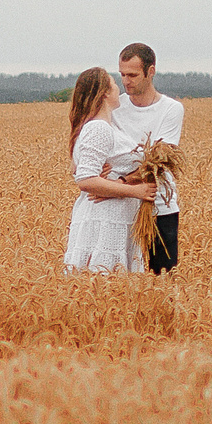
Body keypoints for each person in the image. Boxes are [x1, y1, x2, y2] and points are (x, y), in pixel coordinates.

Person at [64, 67, 154, 274]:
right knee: (103, 282)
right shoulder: (99, 128)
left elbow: (82, 171)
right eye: (114, 84)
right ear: (104, 92)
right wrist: (136, 191)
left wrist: (123, 180)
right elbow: (85, 180)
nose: (119, 88)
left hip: (115, 217)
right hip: (105, 219)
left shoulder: (105, 126)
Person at [111, 43, 184, 273]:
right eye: (122, 74)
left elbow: (160, 162)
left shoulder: (171, 109)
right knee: (118, 276)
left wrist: (122, 181)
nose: (126, 81)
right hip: (119, 205)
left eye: (132, 75)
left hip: (160, 205)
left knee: (162, 277)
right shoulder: (113, 106)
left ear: (151, 71)